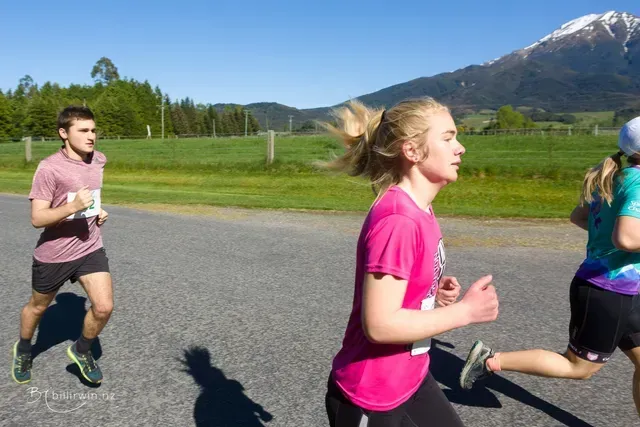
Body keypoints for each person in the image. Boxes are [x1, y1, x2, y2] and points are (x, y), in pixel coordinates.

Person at [323, 98, 500, 426]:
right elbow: (379, 325)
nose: (460, 148)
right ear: (412, 151)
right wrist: (463, 312)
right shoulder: (398, 220)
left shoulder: (421, 210)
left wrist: (431, 297)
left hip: (412, 377)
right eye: (447, 138)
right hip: (371, 396)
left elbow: (402, 298)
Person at [459, 116, 640, 417]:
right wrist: (614, 243)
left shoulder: (618, 177)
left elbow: (579, 217)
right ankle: (489, 360)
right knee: (578, 367)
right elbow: (626, 237)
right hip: (606, 291)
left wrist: (603, 243)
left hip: (623, 289)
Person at [11, 106, 112, 385]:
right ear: (63, 133)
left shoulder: (98, 160)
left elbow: (90, 196)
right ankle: (24, 348)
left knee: (103, 307)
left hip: (90, 247)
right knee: (37, 308)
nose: (91, 136)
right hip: (54, 254)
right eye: (83, 131)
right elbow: (37, 218)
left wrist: (96, 211)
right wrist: (72, 207)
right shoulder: (49, 168)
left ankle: (81, 351)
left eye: (93, 130)